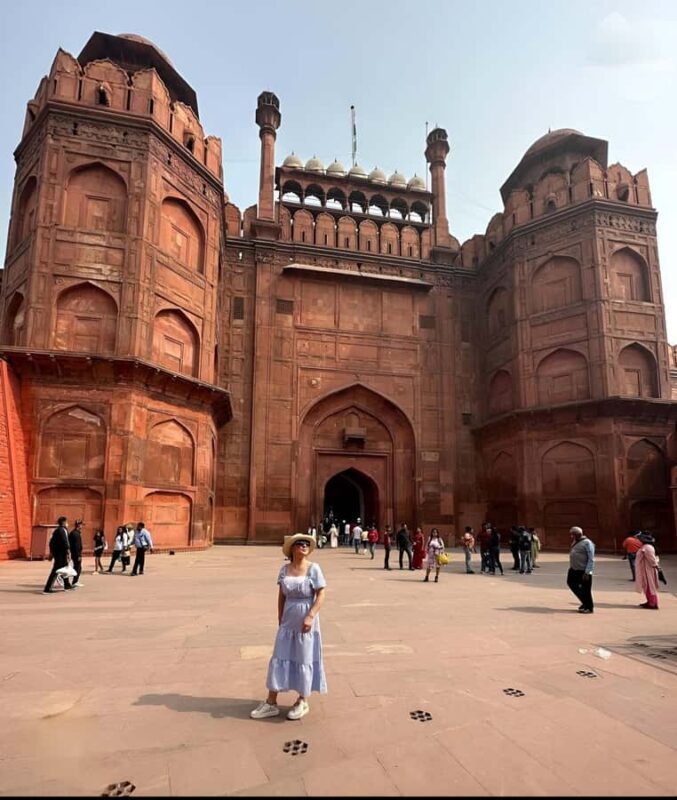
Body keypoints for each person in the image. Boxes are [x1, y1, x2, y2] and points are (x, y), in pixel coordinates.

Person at [250, 532, 327, 721]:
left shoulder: (314, 568)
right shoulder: (284, 569)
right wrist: (280, 616)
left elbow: (321, 594)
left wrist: (310, 616)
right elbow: (281, 596)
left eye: (306, 543)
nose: (304, 545)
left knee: (304, 657)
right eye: (300, 543)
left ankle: (302, 700)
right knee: (280, 656)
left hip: (306, 623)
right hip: (288, 621)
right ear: (292, 548)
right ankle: (270, 702)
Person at [567, 526, 595, 613]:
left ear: (579, 534)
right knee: (571, 583)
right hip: (574, 569)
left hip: (584, 570)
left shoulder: (587, 543)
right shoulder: (576, 541)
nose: (572, 536)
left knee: (586, 589)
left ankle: (589, 607)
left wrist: (587, 572)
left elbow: (591, 558)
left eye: (573, 534)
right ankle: (585, 602)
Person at [43, 516, 73, 593]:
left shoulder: (57, 531)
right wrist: (68, 552)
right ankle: (48, 588)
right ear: (63, 522)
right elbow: (65, 542)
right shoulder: (62, 531)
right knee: (56, 570)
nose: (67, 523)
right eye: (66, 522)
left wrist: (52, 553)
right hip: (60, 554)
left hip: (58, 553)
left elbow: (51, 542)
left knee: (64, 569)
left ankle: (67, 585)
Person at [634, 533, 660, 609]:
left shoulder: (647, 548)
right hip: (645, 570)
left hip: (648, 571)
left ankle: (653, 603)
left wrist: (658, 568)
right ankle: (649, 601)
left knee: (650, 587)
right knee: (646, 586)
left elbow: (652, 560)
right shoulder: (645, 547)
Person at [68, 519, 84, 588]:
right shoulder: (76, 534)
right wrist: (78, 555)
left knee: (77, 567)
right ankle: (75, 581)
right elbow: (76, 546)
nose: (82, 526)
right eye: (81, 525)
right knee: (78, 567)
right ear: (78, 525)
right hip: (76, 554)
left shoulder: (74, 533)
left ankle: (75, 581)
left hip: (74, 553)